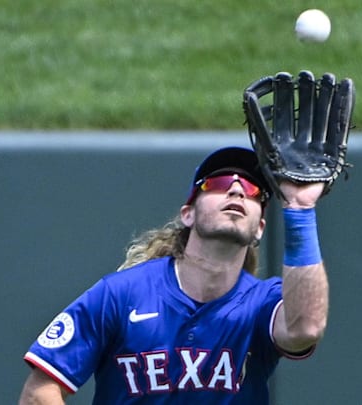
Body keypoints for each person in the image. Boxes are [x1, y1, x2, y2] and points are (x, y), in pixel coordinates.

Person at [19, 146, 329, 404]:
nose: (236, 189)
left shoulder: (263, 303)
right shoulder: (121, 294)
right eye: (218, 184)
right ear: (188, 214)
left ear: (260, 227)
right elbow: (40, 390)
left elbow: (305, 328)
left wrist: (300, 209)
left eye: (252, 190)